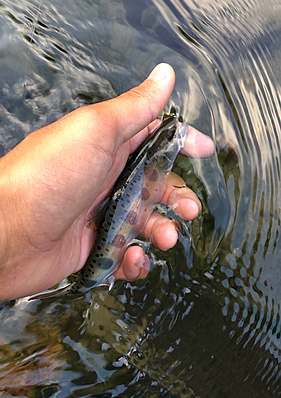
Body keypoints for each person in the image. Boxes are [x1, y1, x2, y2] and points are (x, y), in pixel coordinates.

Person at [0, 63, 214, 302]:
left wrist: (12, 229)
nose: (178, 134)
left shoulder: (156, 162)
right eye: (172, 137)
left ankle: (59, 293)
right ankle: (66, 291)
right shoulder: (157, 163)